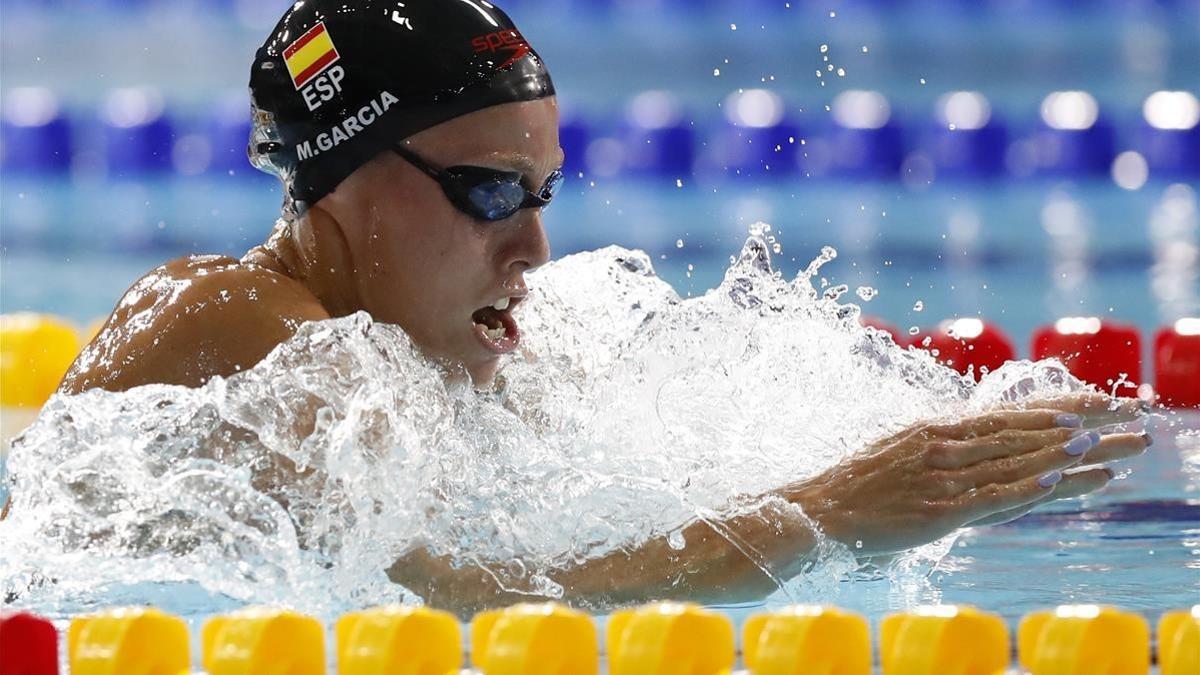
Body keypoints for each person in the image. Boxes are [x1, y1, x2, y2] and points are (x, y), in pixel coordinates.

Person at [52, 0, 1150, 614]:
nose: (532, 246)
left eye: (541, 193)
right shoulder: (235, 325)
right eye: (486, 194)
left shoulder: (418, 346)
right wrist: (831, 514)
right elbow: (470, 612)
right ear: (341, 181)